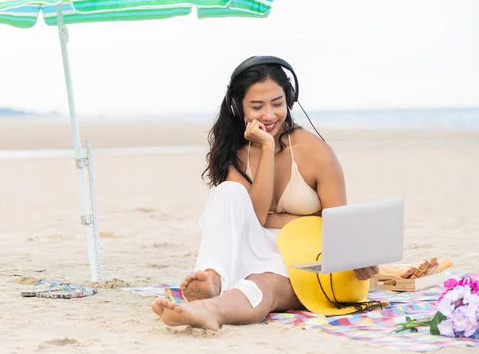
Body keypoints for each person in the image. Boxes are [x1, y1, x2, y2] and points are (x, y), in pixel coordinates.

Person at [151, 56, 379, 330]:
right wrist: (267, 149)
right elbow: (255, 216)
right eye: (257, 106)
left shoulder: (315, 152)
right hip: (250, 248)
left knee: (262, 284)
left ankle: (209, 308)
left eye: (277, 104)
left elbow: (337, 225)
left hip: (303, 257)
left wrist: (357, 257)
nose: (269, 115)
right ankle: (214, 277)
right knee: (229, 193)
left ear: (290, 101)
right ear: (238, 107)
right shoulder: (237, 154)